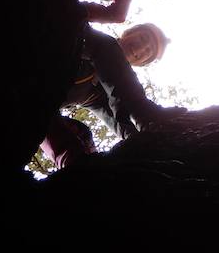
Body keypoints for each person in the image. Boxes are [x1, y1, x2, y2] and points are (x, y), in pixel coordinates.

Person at [39, 22, 181, 170]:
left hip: (32, 105)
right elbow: (100, 46)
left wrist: (142, 141)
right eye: (143, 38)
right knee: (108, 47)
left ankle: (80, 176)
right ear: (128, 32)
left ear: (142, 63)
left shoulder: (101, 93)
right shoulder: (91, 39)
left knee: (79, 138)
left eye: (148, 52)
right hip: (27, 69)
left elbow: (119, 121)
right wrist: (145, 114)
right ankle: (144, 112)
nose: (141, 48)